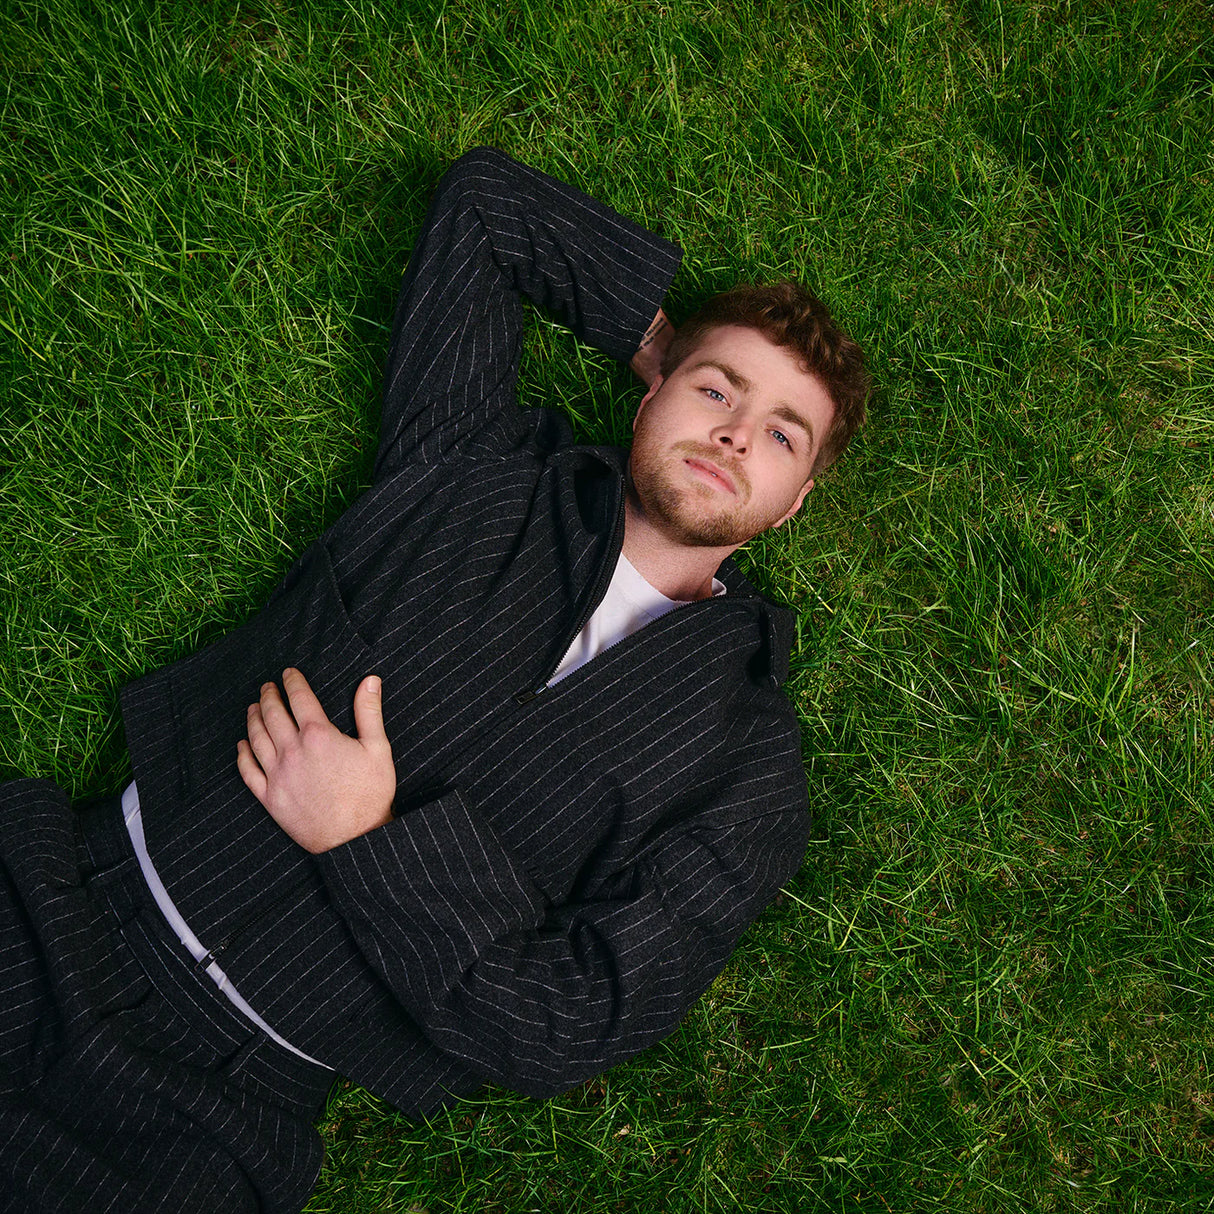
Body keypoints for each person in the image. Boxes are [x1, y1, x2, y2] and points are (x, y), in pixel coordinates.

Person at [0, 148, 869, 1213]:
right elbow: (485, 207)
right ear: (649, 398)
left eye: (781, 433)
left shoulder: (750, 772)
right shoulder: (471, 459)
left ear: (789, 505)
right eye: (713, 387)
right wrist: (656, 335)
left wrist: (370, 839)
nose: (736, 430)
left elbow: (567, 1021)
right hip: (60, 900)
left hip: (215, 1109)